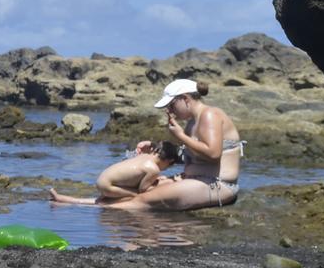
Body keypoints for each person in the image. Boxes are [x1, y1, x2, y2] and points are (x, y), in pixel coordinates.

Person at [52, 79, 244, 211]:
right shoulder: (192, 122)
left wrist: (179, 136)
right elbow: (191, 155)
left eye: (171, 105)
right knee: (143, 188)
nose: (170, 110)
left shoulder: (210, 115)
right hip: (196, 180)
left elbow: (213, 154)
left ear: (185, 99)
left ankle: (77, 205)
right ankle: (76, 201)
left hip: (218, 186)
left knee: (143, 199)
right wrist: (156, 149)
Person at [49, 141, 180, 205]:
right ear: (168, 160)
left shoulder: (144, 156)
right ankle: (103, 203)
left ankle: (61, 198)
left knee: (107, 198)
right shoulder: (153, 169)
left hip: (103, 179)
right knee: (136, 197)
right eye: (168, 166)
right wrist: (164, 182)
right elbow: (143, 190)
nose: (165, 169)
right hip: (108, 186)